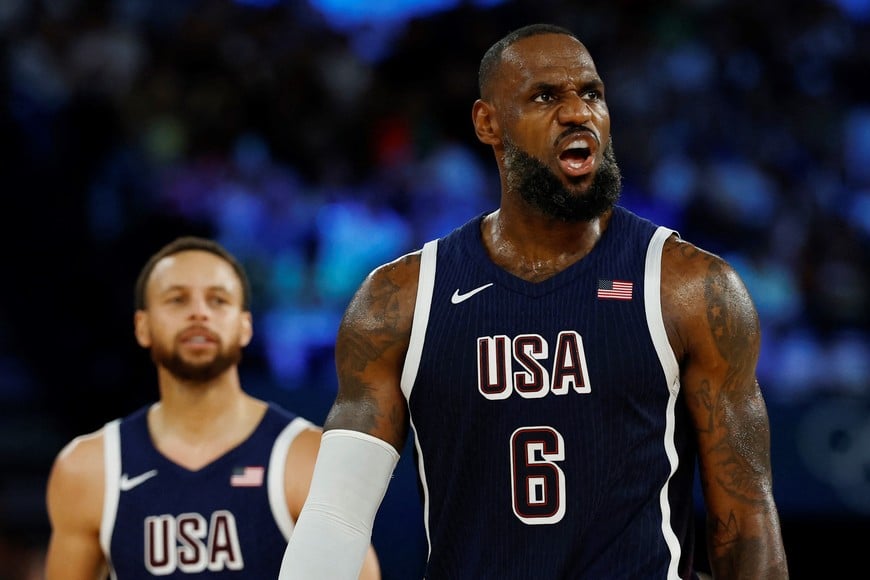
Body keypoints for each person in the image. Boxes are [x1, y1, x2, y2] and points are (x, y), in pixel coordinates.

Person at [279, 23, 789, 579]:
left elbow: (747, 522)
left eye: (591, 93)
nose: (577, 113)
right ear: (487, 122)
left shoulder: (690, 286)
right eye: (545, 96)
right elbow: (335, 518)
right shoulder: (398, 301)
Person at [44, 236, 381, 579]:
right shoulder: (87, 469)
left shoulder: (307, 459)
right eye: (177, 299)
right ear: (142, 326)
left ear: (245, 326)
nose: (199, 313)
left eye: (218, 300)